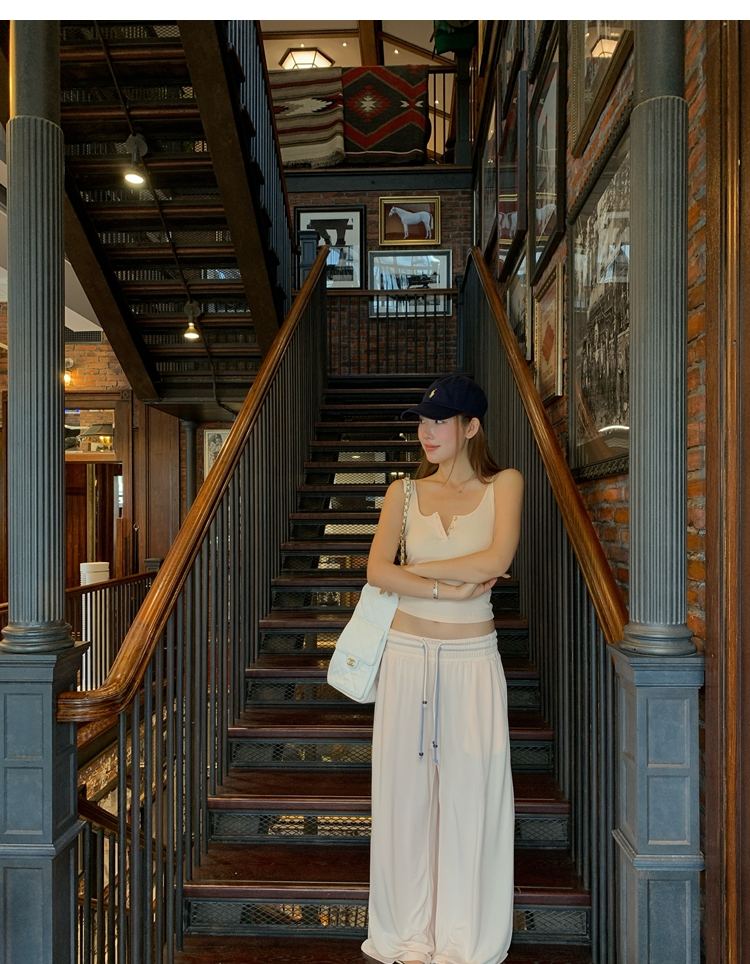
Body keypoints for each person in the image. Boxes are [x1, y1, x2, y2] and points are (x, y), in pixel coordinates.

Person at [361, 373, 524, 964]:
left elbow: (497, 557)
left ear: (471, 426)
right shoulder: (401, 492)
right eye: (423, 422)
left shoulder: (506, 483)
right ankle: (408, 933)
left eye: (440, 421)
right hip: (406, 658)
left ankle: (461, 937)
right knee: (405, 798)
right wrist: (445, 588)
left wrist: (416, 576)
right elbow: (376, 571)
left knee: (469, 796)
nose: (427, 433)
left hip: (471, 662)